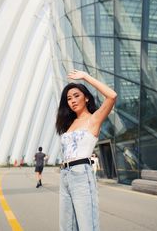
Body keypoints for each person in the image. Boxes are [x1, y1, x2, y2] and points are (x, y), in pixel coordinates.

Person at [56, 69, 117, 231]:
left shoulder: (93, 119)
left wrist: (85, 77)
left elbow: (112, 96)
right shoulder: (69, 124)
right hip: (65, 175)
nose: (72, 100)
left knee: (86, 225)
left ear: (86, 97)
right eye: (69, 98)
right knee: (66, 227)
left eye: (76, 95)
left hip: (81, 174)